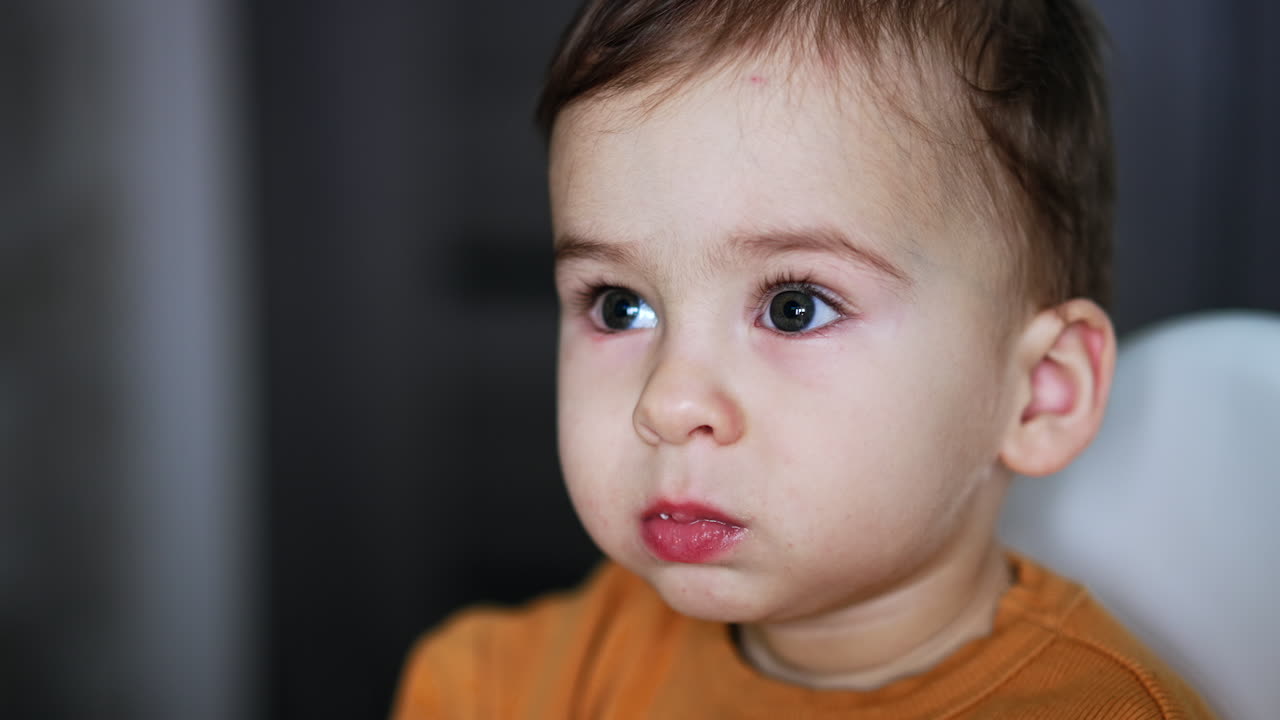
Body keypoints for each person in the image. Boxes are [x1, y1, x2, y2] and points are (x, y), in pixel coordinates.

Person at [393, 0, 1218, 716]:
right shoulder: (505, 685)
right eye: (621, 305)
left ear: (1037, 393)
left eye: (795, 308)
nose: (668, 403)